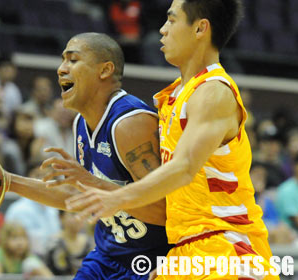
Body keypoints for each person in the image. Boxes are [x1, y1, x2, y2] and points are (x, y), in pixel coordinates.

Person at [63, 1, 277, 279]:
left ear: (200, 28)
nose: (162, 30)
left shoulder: (213, 92)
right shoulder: (175, 97)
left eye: (172, 21)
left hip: (226, 247)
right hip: (185, 251)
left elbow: (185, 167)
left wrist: (117, 197)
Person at [5, 32, 171, 279]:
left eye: (72, 60)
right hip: (106, 257)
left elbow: (165, 210)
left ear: (105, 70)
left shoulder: (129, 123)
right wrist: (8, 181)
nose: (61, 69)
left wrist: (91, 182)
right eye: (62, 60)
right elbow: (79, 198)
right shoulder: (81, 124)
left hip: (151, 261)